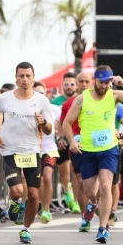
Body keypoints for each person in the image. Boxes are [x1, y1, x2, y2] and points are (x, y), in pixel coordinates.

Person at [63, 66, 123, 244]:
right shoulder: (81, 99)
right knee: (90, 191)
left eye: (107, 82)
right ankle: (93, 203)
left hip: (109, 149)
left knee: (106, 186)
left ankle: (103, 228)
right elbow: (67, 123)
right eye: (101, 82)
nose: (104, 86)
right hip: (87, 150)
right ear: (95, 80)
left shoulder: (114, 96)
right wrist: (72, 141)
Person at [0, 62, 53, 244]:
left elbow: (49, 130)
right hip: (10, 150)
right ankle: (16, 202)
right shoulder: (5, 98)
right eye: (21, 76)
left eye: (28, 76)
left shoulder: (42, 100)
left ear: (33, 78)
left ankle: (25, 229)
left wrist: (43, 122)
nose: (25, 79)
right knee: (17, 191)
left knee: (33, 195)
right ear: (16, 78)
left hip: (32, 151)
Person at [59, 71, 93, 229]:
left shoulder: (101, 100)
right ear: (77, 84)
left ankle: (96, 204)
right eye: (81, 82)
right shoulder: (68, 104)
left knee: (98, 183)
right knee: (80, 180)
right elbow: (63, 123)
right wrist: (63, 139)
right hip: (77, 146)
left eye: (87, 81)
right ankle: (84, 218)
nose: (84, 84)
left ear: (92, 82)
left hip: (98, 146)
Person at [33, 81, 63, 224]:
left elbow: (63, 123)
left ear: (46, 94)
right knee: (38, 182)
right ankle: (37, 206)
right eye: (36, 93)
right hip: (34, 149)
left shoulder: (54, 109)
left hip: (50, 148)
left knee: (47, 177)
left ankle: (46, 210)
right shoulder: (28, 109)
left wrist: (61, 137)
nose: (39, 96)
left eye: (41, 93)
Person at [52, 72, 77, 211]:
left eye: (72, 84)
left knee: (77, 173)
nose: (69, 87)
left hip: (78, 140)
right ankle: (68, 192)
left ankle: (78, 199)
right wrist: (60, 137)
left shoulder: (80, 100)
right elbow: (55, 122)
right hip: (62, 142)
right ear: (62, 85)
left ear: (76, 85)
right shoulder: (54, 102)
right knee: (65, 173)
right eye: (66, 84)